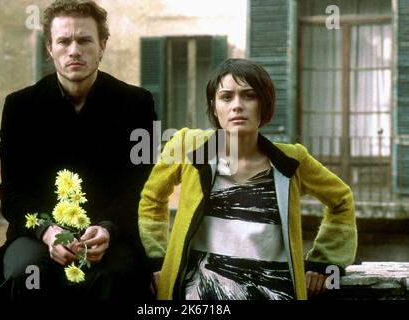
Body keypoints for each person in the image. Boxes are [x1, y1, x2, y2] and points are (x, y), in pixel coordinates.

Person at [0, 0, 156, 300]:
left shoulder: (138, 104)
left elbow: (142, 185)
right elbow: (13, 194)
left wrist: (108, 228)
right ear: (49, 47)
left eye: (84, 40)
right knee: (24, 275)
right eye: (64, 41)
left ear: (102, 45)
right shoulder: (19, 107)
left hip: (112, 237)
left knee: (120, 278)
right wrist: (48, 232)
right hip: (36, 236)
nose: (74, 50)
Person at [138, 58, 357, 300]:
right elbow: (151, 199)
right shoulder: (186, 146)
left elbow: (341, 200)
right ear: (213, 106)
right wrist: (157, 260)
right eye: (226, 97)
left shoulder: (292, 161)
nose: (237, 106)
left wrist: (324, 263)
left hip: (274, 294)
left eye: (249, 96)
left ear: (265, 104)